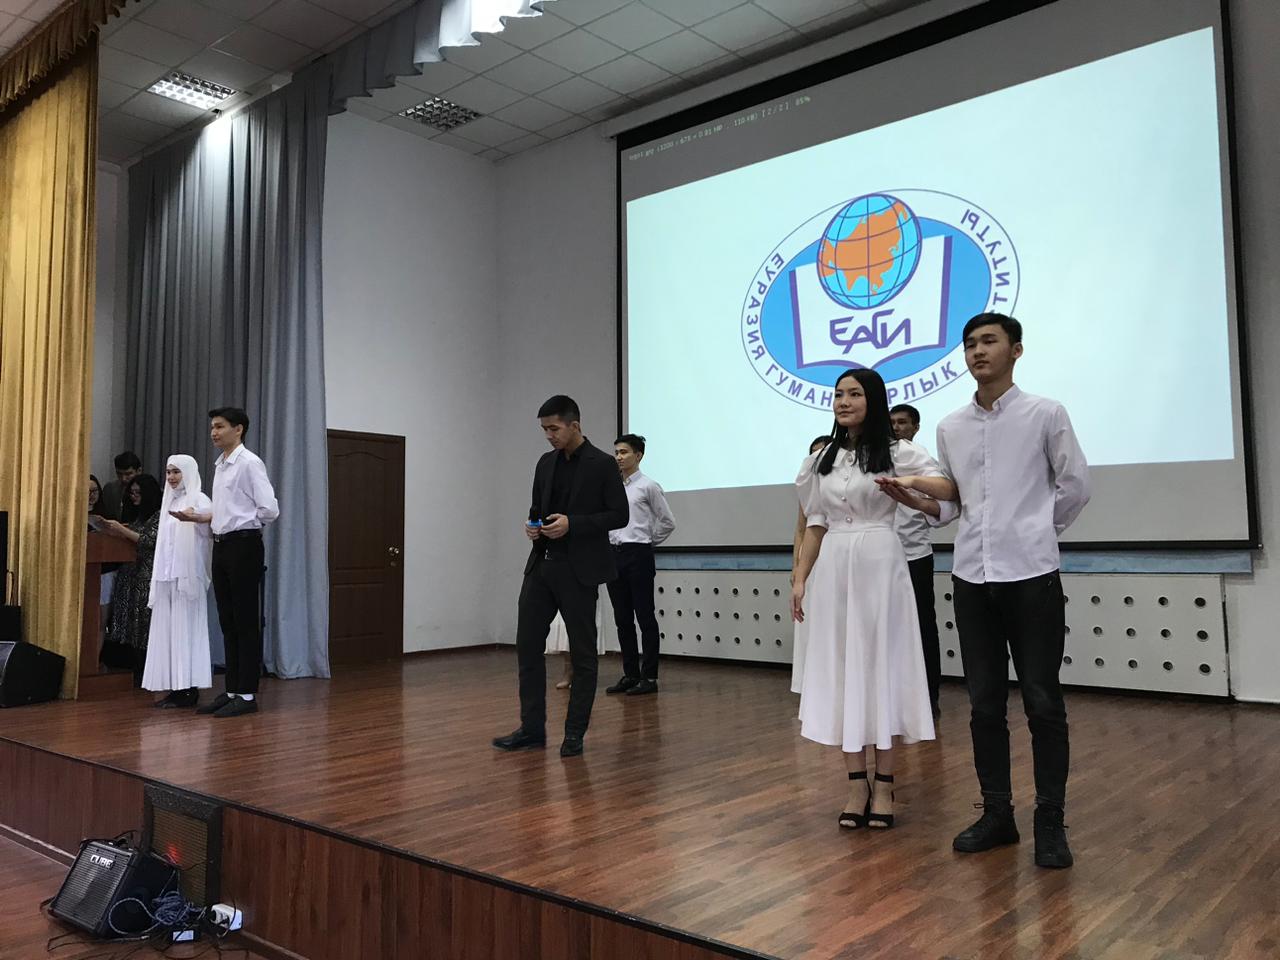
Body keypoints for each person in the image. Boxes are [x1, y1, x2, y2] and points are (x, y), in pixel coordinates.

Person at [880, 313, 1090, 868]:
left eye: (989, 341)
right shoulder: (951, 426)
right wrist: (915, 500)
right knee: (983, 704)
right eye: (970, 343)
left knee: (1043, 701)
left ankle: (1050, 820)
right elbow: (953, 504)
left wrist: (1038, 530)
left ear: (1015, 350)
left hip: (1033, 575)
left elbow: (1076, 485)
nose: (977, 351)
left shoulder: (1045, 413)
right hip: (972, 577)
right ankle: (998, 813)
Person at [791, 368, 956, 829]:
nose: (843, 402)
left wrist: (909, 485)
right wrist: (800, 578)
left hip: (881, 562)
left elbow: (947, 490)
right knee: (844, 669)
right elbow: (816, 523)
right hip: (834, 565)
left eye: (855, 394)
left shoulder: (898, 452)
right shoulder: (821, 459)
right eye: (838, 394)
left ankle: (884, 783)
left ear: (874, 400)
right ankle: (855, 783)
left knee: (880, 666)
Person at [493, 395, 628, 758]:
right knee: (527, 647)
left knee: (583, 655)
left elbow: (620, 515)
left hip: (579, 570)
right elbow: (537, 507)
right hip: (541, 565)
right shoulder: (545, 462)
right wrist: (532, 525)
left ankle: (574, 733)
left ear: (575, 425)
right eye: (544, 430)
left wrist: (574, 524)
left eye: (554, 428)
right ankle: (531, 729)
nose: (548, 435)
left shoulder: (602, 464)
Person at [178, 407, 279, 719]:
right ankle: (233, 689)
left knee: (245, 621)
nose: (214, 432)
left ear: (239, 429)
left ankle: (247, 694)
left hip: (243, 545)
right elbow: (228, 510)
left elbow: (269, 509)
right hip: (222, 545)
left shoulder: (249, 463)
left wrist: (245, 525)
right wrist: (201, 516)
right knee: (228, 619)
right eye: (212, 427)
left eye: (220, 426)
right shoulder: (221, 464)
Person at [603, 434, 676, 697]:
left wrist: (646, 541)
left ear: (638, 455)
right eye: (616, 452)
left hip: (638, 554)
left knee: (645, 617)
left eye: (624, 452)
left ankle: (650, 676)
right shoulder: (612, 487)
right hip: (614, 555)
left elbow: (667, 522)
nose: (619, 457)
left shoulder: (648, 486)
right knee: (622, 618)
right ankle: (630, 674)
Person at [142, 455, 214, 709]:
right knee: (169, 632)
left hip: (187, 577)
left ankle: (188, 689)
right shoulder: (169, 502)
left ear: (188, 472)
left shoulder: (199, 499)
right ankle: (174, 686)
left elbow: (210, 528)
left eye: (176, 472)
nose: (171, 477)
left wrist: (195, 517)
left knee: (186, 631)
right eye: (168, 472)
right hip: (167, 576)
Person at [889, 403, 942, 718]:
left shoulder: (915, 456)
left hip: (914, 554)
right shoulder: (876, 455)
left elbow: (942, 496)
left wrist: (913, 493)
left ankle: (929, 698)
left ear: (915, 427)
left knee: (922, 627)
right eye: (892, 422)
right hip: (882, 556)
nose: (896, 428)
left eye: (902, 422)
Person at [100, 474, 163, 678]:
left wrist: (121, 529)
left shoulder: (159, 516)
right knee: (129, 624)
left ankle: (147, 670)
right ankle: (134, 667)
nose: (134, 497)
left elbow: (148, 540)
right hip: (129, 573)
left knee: (143, 624)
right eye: (132, 493)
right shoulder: (138, 515)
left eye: (138, 493)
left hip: (145, 576)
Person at [790, 435, 831, 696]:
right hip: (810, 564)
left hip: (834, 557)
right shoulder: (808, 490)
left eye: (823, 453)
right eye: (813, 454)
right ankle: (810, 687)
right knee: (809, 624)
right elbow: (801, 529)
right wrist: (796, 567)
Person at [99, 451, 142, 521]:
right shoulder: (110, 489)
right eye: (119, 474)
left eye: (128, 474)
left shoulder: (148, 490)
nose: (123, 478)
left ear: (139, 471)